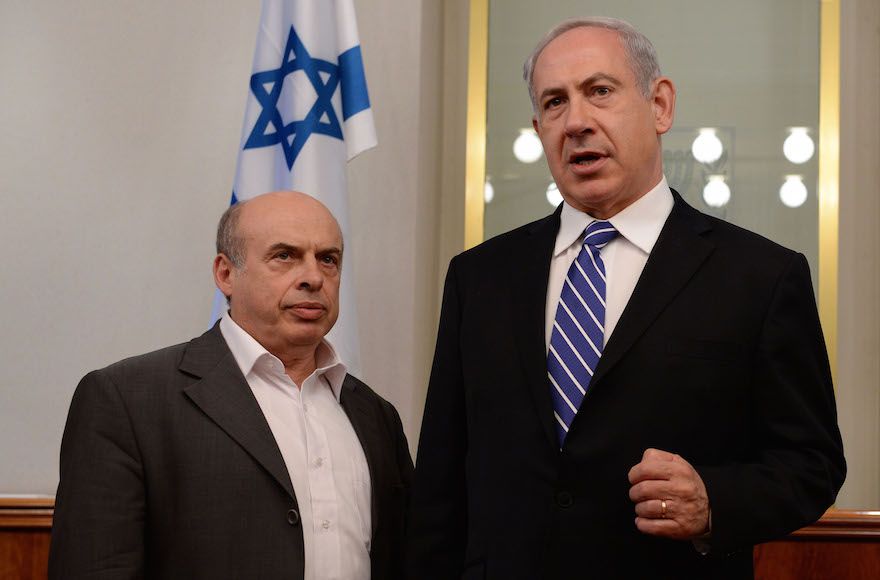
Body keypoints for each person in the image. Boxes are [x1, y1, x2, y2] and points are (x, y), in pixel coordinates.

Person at [407, 17, 845, 579]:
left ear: (659, 105)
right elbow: (441, 485)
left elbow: (812, 464)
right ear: (539, 128)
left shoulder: (760, 276)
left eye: (600, 92)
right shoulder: (478, 277)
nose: (577, 122)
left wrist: (715, 500)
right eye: (556, 103)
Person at [49, 191, 413, 580]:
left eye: (328, 259)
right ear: (226, 274)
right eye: (285, 256)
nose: (313, 277)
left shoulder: (375, 415)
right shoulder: (126, 400)